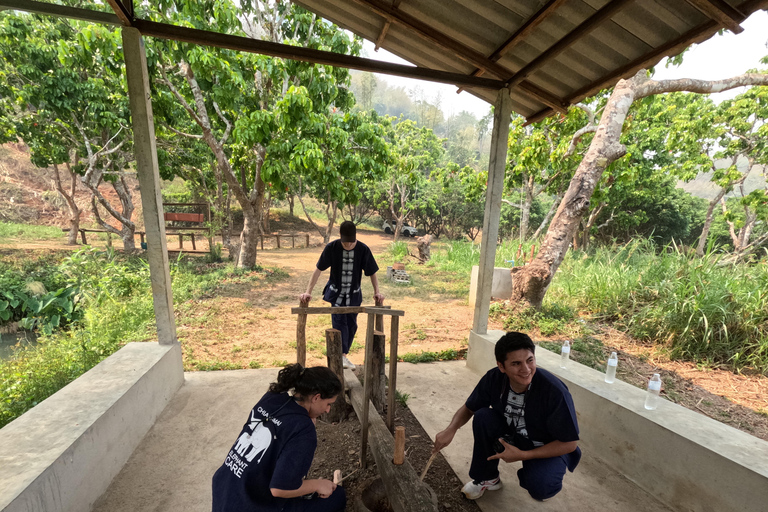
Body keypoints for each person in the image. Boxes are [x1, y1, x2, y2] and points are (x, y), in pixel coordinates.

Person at [432, 332, 581, 502]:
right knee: (483, 416)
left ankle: (537, 475)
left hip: (545, 445)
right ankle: (488, 478)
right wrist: (450, 430)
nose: (525, 369)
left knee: (541, 487)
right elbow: (469, 408)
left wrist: (523, 455)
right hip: (513, 433)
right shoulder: (494, 377)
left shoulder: (554, 391)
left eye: (529, 360)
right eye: (516, 363)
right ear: (501, 366)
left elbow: (570, 443)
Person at [212, 364, 345, 512]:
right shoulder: (304, 430)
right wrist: (318, 485)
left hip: (225, 492)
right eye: (328, 404)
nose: (328, 410)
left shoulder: (272, 397)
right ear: (316, 397)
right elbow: (279, 489)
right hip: (252, 504)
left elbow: (282, 428)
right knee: (336, 497)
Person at [299, 220, 384, 370]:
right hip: (337, 295)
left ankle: (343, 355)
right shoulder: (332, 248)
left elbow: (372, 272)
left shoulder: (363, 249)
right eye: (346, 243)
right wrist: (308, 291)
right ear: (340, 237)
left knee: (352, 325)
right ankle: (342, 357)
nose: (349, 245)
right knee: (339, 324)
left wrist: (377, 291)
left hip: (354, 296)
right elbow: (318, 270)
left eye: (351, 243)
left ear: (355, 238)